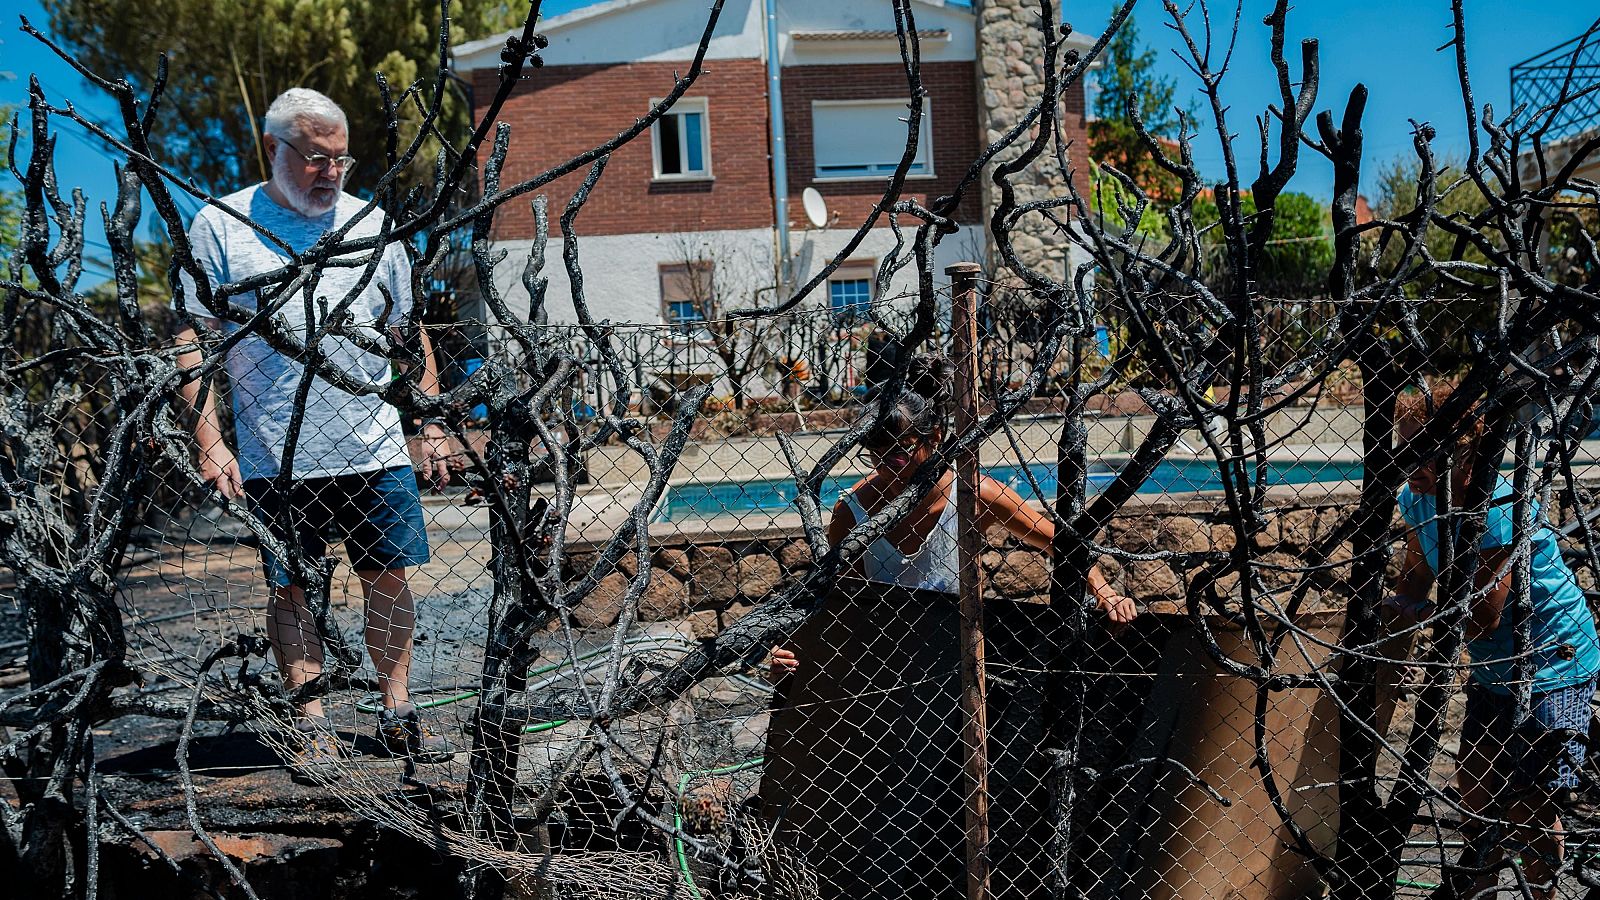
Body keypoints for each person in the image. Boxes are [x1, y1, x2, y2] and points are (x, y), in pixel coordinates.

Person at [173, 88, 454, 778]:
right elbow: (192, 338)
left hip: (373, 444)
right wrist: (210, 440)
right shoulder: (220, 226)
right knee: (291, 588)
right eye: (315, 158)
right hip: (274, 452)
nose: (331, 172)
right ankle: (313, 723)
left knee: (387, 577)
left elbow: (406, 331)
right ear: (274, 148)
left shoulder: (373, 223)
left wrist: (429, 421)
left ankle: (396, 709)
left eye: (341, 159)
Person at [769, 355, 1136, 680]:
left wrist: (1104, 592)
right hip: (884, 662)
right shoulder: (854, 512)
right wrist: (795, 653)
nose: (887, 466)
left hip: (960, 655)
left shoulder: (974, 495)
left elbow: (1060, 542)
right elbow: (840, 601)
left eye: (900, 453)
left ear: (936, 437)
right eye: (875, 455)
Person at [1386, 387, 1599, 899]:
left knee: (1530, 803)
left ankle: (1540, 891)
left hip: (1550, 659)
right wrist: (1392, 623)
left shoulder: (1498, 508)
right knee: (1477, 791)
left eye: (1422, 450)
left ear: (1466, 456)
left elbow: (1483, 616)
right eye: (1403, 447)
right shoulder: (1417, 497)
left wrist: (1424, 615)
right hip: (1493, 666)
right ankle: (1479, 884)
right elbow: (1415, 575)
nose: (1408, 460)